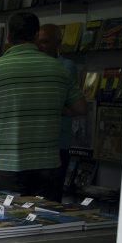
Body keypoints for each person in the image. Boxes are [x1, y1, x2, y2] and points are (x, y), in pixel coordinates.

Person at [0, 13, 86, 201]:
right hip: (48, 163)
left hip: (9, 163)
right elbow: (81, 108)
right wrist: (53, 109)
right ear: (35, 37)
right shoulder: (59, 69)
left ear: (8, 37)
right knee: (48, 222)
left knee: (9, 223)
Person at [37, 23, 82, 200]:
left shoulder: (65, 66)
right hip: (36, 142)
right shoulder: (36, 64)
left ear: (58, 43)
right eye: (38, 42)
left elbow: (71, 107)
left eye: (45, 42)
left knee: (52, 196)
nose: (40, 46)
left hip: (57, 142)